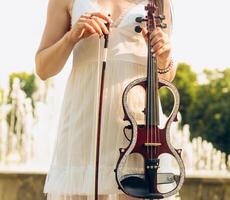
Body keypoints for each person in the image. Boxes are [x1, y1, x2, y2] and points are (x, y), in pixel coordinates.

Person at [35, 0, 177, 199]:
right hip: (84, 122)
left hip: (137, 129)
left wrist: (164, 57)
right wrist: (71, 37)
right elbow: (43, 68)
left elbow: (166, 76)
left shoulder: (158, 1)